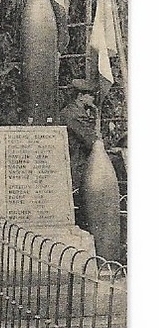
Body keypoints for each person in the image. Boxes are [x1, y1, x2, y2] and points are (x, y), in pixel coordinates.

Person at [59, 77, 97, 227]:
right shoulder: (75, 114)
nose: (93, 98)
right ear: (80, 96)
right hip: (77, 162)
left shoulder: (74, 111)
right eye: (90, 94)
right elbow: (92, 141)